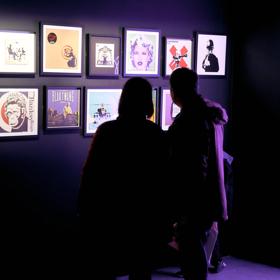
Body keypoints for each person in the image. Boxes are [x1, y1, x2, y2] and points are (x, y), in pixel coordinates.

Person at [78, 77, 168, 279]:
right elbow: (163, 177)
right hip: (145, 212)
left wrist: (84, 206)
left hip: (111, 210)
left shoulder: (107, 131)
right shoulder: (156, 134)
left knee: (107, 265)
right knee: (141, 268)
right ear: (148, 101)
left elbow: (91, 173)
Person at [166, 67, 228, 280]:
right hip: (211, 194)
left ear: (174, 92)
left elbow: (192, 165)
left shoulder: (188, 121)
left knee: (191, 252)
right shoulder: (211, 114)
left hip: (192, 198)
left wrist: (181, 203)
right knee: (196, 247)